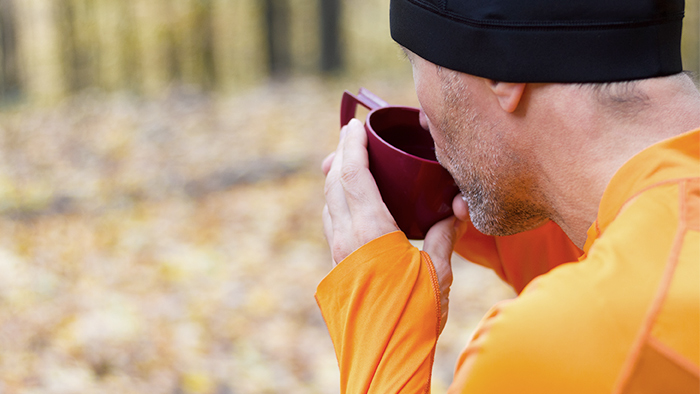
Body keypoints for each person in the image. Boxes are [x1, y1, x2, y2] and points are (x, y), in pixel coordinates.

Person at [316, 0, 700, 392]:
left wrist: (381, 319)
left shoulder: (545, 349)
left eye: (415, 61)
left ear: (500, 70)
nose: (422, 117)